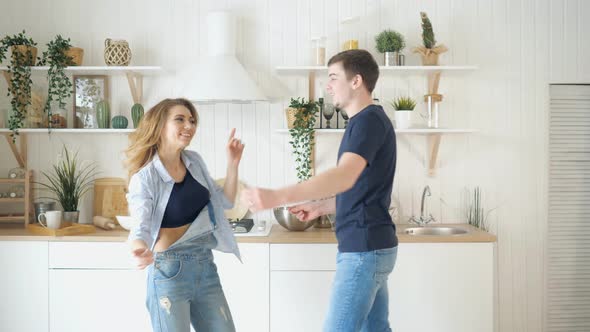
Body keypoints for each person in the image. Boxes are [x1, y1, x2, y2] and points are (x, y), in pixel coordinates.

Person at [242, 49, 398, 332]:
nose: (328, 85)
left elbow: (343, 176)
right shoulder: (367, 121)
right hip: (373, 245)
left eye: (333, 77)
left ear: (356, 81)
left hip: (363, 250)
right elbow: (362, 189)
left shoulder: (367, 122)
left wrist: (276, 196)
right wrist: (321, 207)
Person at [125, 98, 244, 332]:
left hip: (204, 265)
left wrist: (232, 164)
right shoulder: (145, 177)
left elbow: (225, 201)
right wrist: (138, 248)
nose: (189, 126)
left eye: (192, 120)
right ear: (159, 125)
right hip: (170, 271)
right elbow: (140, 227)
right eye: (180, 119)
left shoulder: (194, 162)